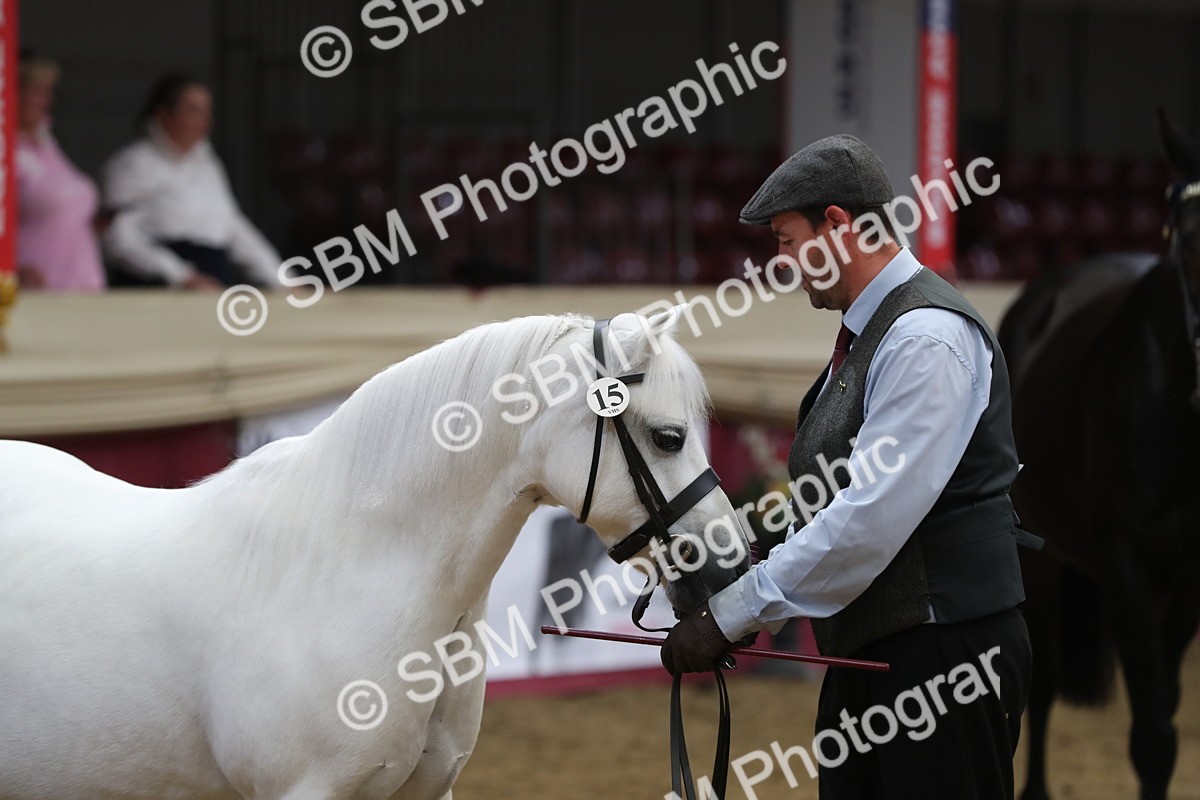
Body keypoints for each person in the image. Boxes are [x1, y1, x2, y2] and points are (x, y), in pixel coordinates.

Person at [660, 134, 1036, 799]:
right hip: (877, 653)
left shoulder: (925, 337)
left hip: (944, 656)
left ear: (837, 225)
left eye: (785, 239)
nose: (784, 263)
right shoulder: (877, 334)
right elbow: (833, 503)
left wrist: (732, 614)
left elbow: (867, 518)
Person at [101, 74, 281, 290]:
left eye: (207, 111)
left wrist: (280, 278)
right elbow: (119, 236)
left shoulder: (208, 164)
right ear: (164, 114)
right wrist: (180, 275)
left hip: (213, 281)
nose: (203, 120)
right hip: (156, 287)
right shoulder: (133, 164)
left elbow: (232, 225)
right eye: (193, 110)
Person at [15, 51, 106, 292]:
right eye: (37, 90)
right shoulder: (8, 148)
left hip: (83, 285)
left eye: (49, 91)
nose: (47, 101)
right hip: (36, 291)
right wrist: (10, 266)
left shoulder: (44, 139)